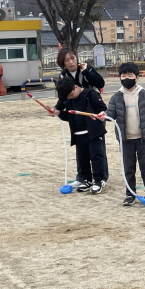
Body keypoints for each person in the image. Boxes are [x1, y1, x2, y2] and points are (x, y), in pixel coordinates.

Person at [100, 63, 145, 206]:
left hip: (143, 138)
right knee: (128, 167)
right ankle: (130, 193)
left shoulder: (144, 95)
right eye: (124, 75)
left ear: (137, 77)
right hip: (126, 139)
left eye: (130, 75)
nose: (127, 78)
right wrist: (104, 115)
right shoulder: (116, 97)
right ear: (119, 77)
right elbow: (111, 113)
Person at [53, 47, 108, 186]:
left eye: (73, 58)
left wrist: (87, 72)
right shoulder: (62, 76)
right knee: (81, 147)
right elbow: (63, 97)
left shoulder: (86, 69)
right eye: (67, 60)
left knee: (97, 146)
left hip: (93, 110)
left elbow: (100, 83)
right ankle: (82, 177)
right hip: (76, 113)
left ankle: (101, 177)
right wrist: (56, 109)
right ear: (62, 63)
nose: (71, 62)